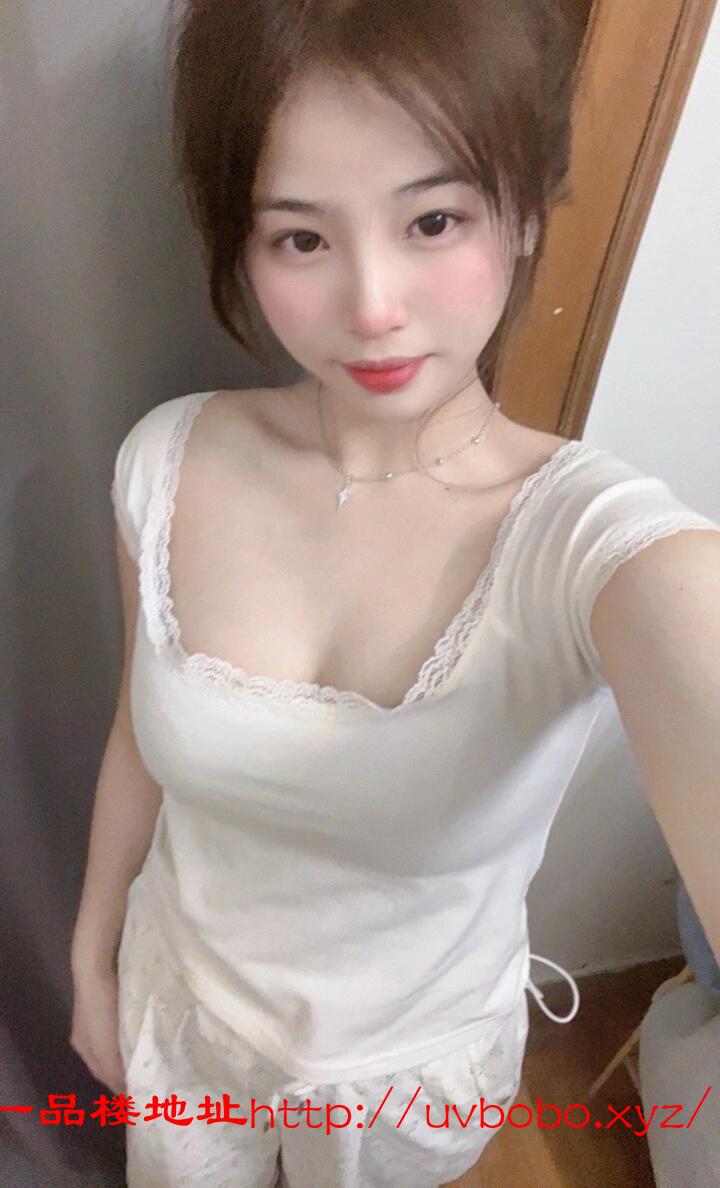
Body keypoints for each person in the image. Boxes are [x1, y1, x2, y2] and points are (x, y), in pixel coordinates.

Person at [69, 1, 720, 1185]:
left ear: (524, 210)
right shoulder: (166, 459)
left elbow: (689, 632)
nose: (372, 305)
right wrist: (90, 954)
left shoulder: (590, 543)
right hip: (182, 1021)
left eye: (432, 220)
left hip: (405, 1085)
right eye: (301, 238)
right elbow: (135, 732)